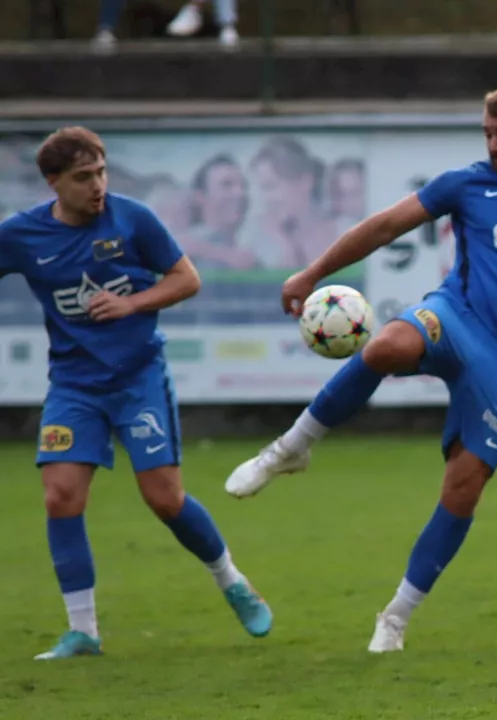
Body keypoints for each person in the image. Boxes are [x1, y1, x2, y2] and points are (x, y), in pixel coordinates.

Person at [223, 82, 497, 653]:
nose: (494, 145)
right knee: (385, 345)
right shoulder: (465, 183)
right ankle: (290, 448)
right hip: (454, 316)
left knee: (463, 489)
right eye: (488, 134)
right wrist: (312, 275)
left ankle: (395, 617)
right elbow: (386, 225)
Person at [0, 127, 273, 660]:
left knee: (164, 499)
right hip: (74, 385)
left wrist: (134, 303)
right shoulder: (22, 235)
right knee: (61, 496)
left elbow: (186, 278)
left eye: (101, 172)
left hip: (138, 378)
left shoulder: (132, 219)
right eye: (83, 178)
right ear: (53, 182)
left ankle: (233, 581)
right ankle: (83, 631)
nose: (97, 185)